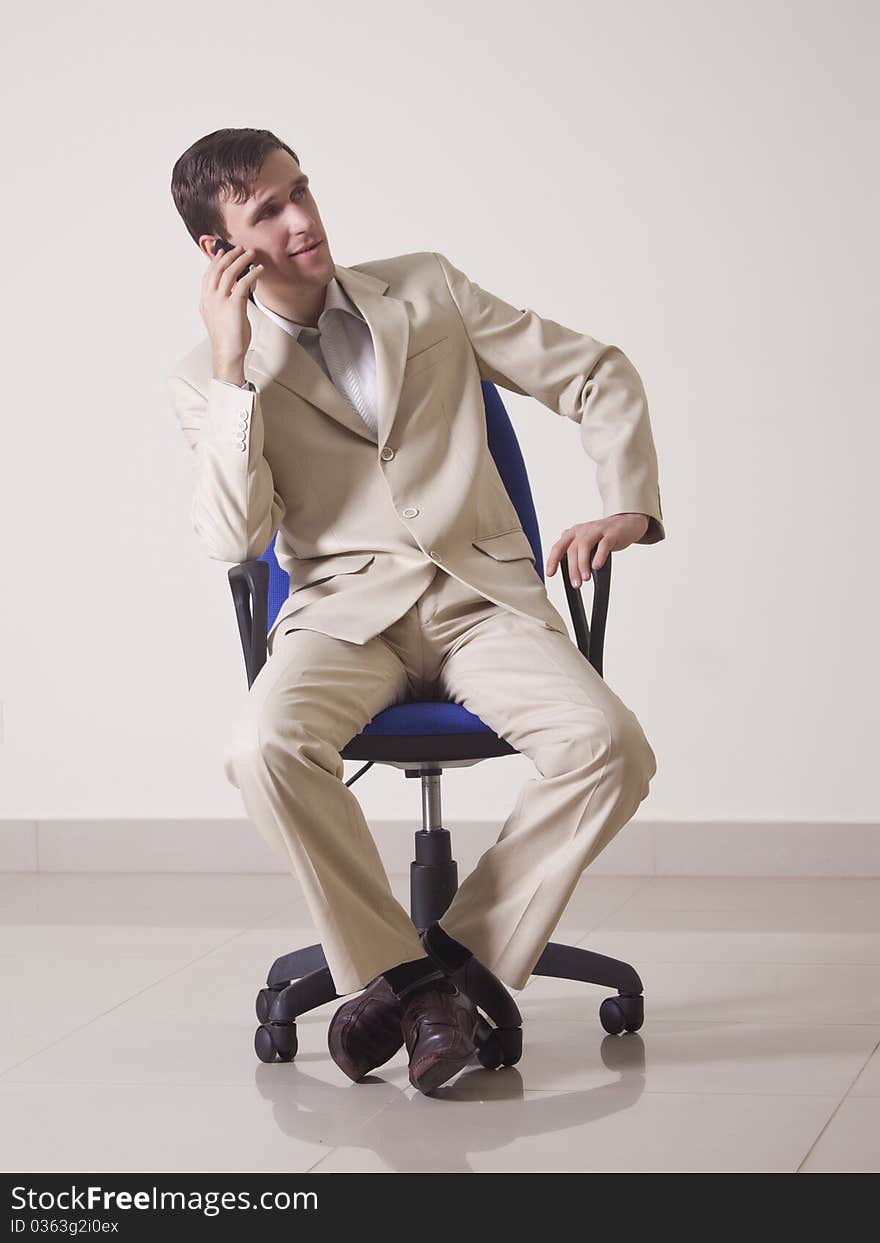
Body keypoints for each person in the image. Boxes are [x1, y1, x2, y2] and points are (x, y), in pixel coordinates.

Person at [166, 127, 665, 1095]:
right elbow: (235, 538)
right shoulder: (204, 378)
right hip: (341, 616)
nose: (302, 217)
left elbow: (593, 370)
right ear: (215, 250)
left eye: (299, 189)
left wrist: (628, 503)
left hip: (481, 601)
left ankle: (444, 974)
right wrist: (233, 374)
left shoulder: (426, 289)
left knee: (611, 745)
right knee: (261, 745)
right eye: (266, 209)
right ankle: (407, 977)